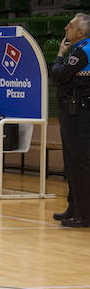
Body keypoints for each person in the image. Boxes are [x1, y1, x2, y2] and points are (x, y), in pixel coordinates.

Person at [50, 14, 90, 227]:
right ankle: (74, 208)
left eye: (71, 26)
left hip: (80, 116)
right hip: (74, 113)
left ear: (81, 33)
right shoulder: (81, 49)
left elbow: (58, 75)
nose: (66, 27)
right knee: (72, 163)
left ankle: (84, 214)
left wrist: (59, 54)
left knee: (79, 164)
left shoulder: (83, 52)